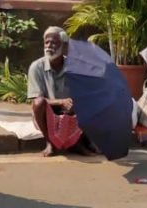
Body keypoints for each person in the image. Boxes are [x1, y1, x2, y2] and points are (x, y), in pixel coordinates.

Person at [27, 26, 96, 157]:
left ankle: (77, 143)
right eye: (46, 42)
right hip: (48, 111)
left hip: (70, 110)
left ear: (64, 46)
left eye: (54, 42)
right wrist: (60, 102)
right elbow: (35, 99)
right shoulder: (36, 67)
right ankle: (49, 142)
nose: (49, 46)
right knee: (38, 103)